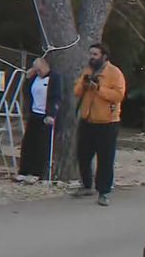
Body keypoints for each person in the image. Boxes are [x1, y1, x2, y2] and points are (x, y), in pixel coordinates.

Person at [72, 43, 126, 206]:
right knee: (83, 154)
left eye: (95, 54)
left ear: (104, 56)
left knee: (105, 158)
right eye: (91, 54)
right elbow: (76, 91)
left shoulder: (114, 73)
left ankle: (104, 191)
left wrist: (98, 89)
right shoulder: (88, 70)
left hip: (107, 122)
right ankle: (87, 185)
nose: (92, 57)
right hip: (87, 120)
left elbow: (118, 95)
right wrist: (84, 84)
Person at [16, 58, 62, 183]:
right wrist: (27, 77)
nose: (38, 72)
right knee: (28, 143)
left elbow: (56, 97)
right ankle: (24, 170)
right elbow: (26, 91)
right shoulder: (34, 78)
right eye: (36, 70)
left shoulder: (54, 78)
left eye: (40, 70)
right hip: (34, 113)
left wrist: (52, 114)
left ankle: (37, 172)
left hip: (45, 115)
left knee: (41, 145)